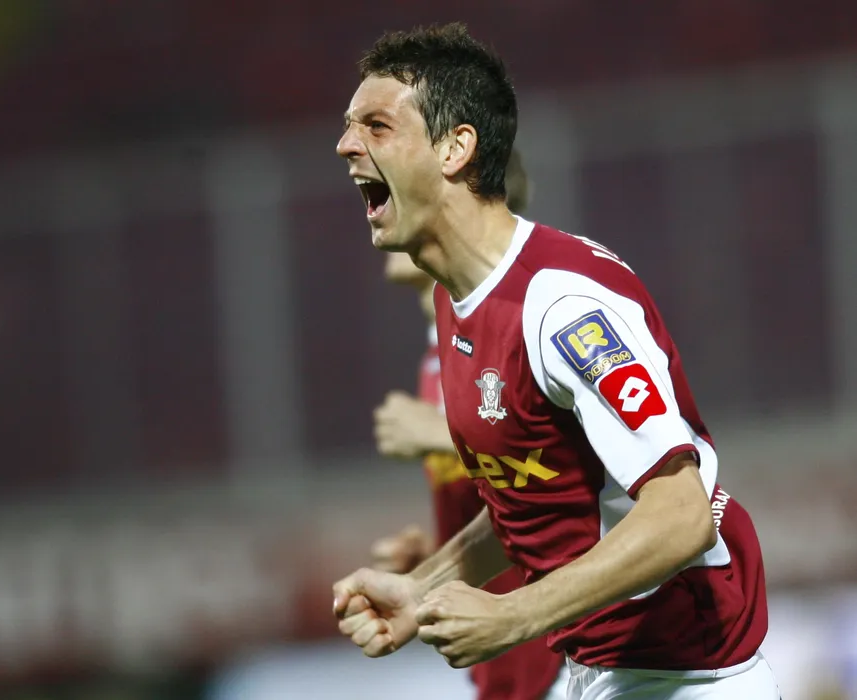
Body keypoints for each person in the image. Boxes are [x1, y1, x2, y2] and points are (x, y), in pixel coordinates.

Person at [333, 22, 778, 699]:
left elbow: (681, 514)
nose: (345, 145)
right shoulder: (459, 299)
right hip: (604, 671)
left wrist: (514, 614)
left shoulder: (564, 308)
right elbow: (533, 498)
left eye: (376, 126)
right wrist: (420, 588)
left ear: (455, 148)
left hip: (685, 676)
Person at [371, 158, 565, 700]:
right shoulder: (442, 347)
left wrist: (439, 433)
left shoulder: (519, 319)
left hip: (557, 648)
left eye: (397, 189)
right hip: (506, 658)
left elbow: (573, 466)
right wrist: (436, 559)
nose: (376, 207)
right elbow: (510, 499)